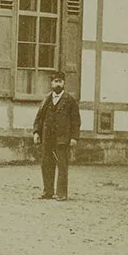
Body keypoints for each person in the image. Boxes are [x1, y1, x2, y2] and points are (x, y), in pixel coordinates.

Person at [33, 70, 81, 201]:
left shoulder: (70, 100)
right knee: (46, 164)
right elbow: (39, 118)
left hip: (62, 139)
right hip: (47, 138)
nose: (58, 84)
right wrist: (36, 132)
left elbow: (76, 121)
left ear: (64, 83)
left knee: (62, 166)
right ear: (51, 83)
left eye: (60, 81)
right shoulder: (47, 99)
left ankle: (61, 193)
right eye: (55, 81)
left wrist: (74, 138)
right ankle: (48, 191)